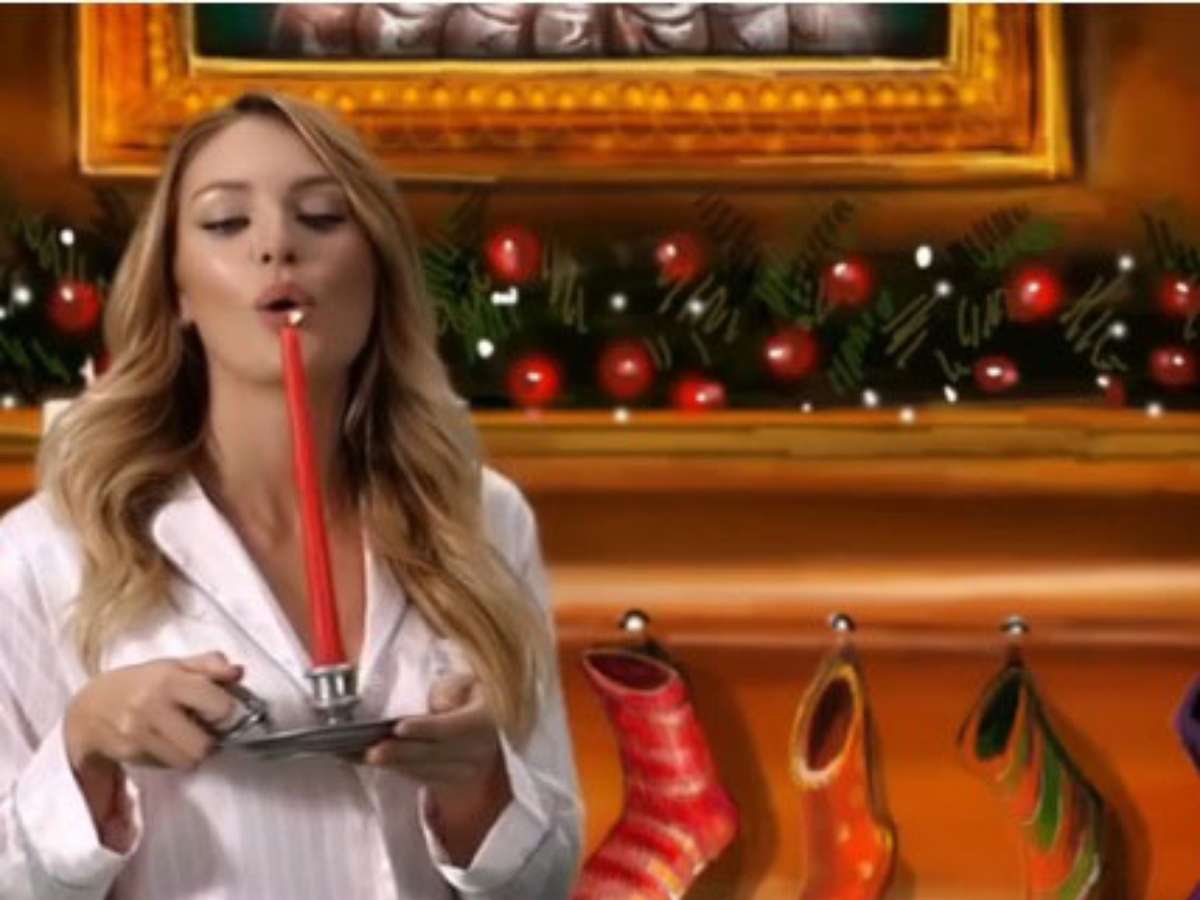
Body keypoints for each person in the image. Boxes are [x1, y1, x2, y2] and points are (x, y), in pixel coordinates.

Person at [0, 91, 583, 899]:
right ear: (176, 291)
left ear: (376, 273)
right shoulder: (46, 554)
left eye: (322, 216)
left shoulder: (478, 517)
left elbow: (548, 879)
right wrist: (85, 744)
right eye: (225, 223)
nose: (277, 245)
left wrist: (478, 786)